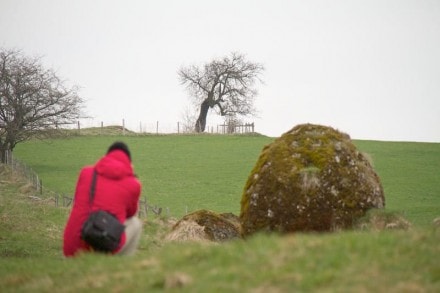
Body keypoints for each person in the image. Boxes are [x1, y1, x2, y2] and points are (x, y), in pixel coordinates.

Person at [63, 141, 142, 257]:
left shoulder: (85, 173)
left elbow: (78, 200)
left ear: (107, 157)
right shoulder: (133, 184)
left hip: (72, 250)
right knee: (135, 223)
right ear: (129, 162)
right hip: (104, 246)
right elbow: (131, 213)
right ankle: (120, 267)